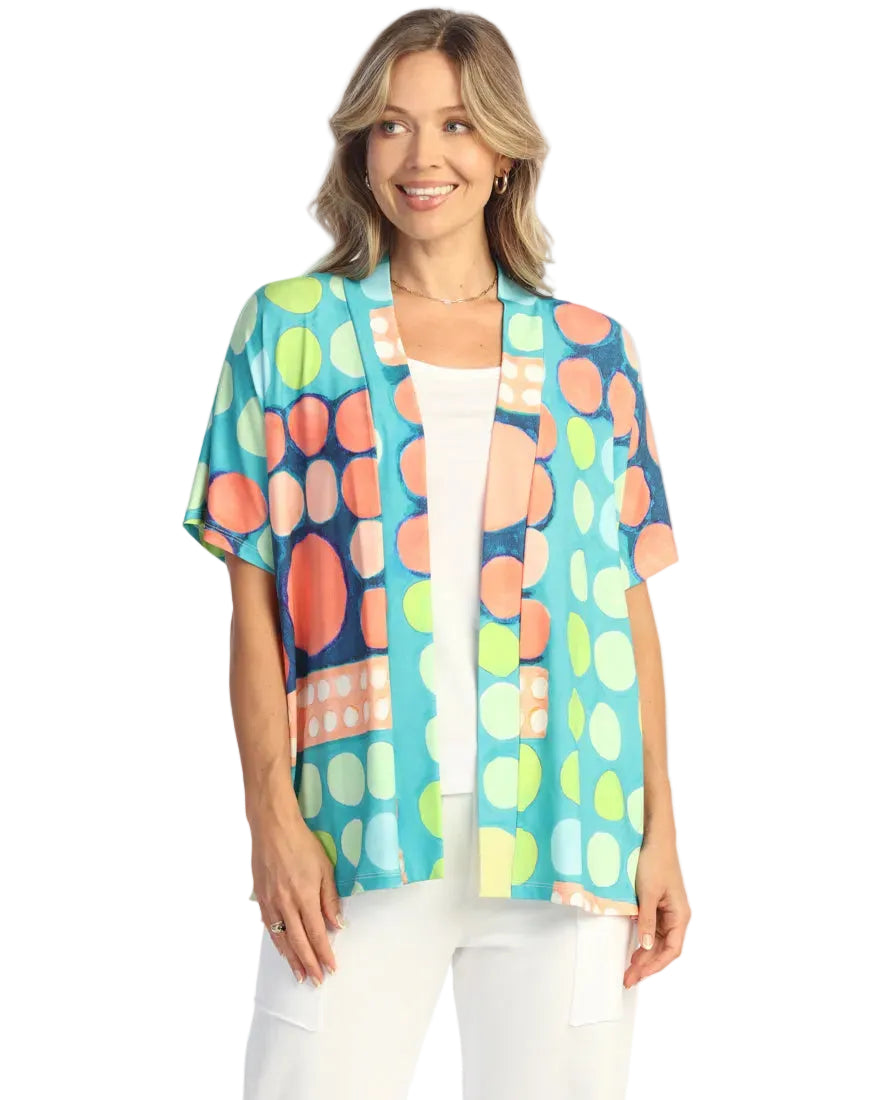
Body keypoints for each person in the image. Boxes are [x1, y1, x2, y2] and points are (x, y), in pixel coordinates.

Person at [181, 9, 691, 1099]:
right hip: (356, 826)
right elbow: (253, 598)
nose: (423, 156)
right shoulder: (290, 331)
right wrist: (270, 815)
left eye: (457, 124)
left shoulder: (593, 353)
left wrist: (661, 829)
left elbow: (626, 605)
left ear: (505, 152)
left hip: (569, 825)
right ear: (360, 149)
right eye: (392, 125)